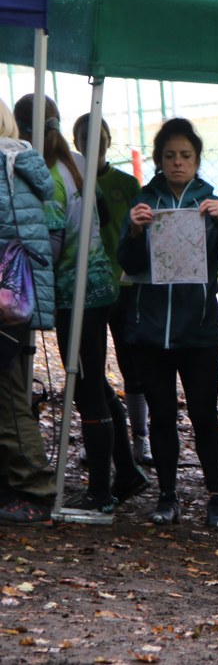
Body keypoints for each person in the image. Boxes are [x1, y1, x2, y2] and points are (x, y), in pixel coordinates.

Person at [119, 118, 218, 530]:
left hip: (199, 332)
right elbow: (127, 264)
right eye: (170, 156)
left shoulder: (211, 204)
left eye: (185, 155)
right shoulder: (144, 203)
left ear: (197, 160)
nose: (178, 162)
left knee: (204, 416)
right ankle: (167, 496)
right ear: (159, 160)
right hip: (150, 333)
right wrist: (134, 232)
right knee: (162, 416)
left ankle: (217, 499)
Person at [15, 95, 147, 521]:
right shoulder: (78, 161)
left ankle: (100, 493)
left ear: (24, 130)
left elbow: (50, 247)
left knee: (87, 388)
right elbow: (103, 214)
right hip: (101, 286)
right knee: (95, 382)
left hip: (76, 295)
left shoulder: (48, 173)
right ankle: (127, 473)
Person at [72, 114, 149, 466]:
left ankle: (140, 439)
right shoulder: (74, 179)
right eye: (85, 135)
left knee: (132, 364)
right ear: (76, 141)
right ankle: (97, 438)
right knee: (91, 367)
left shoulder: (127, 184)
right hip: (88, 287)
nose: (93, 140)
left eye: (99, 135)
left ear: (108, 139)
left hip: (125, 285)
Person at [0, 101, 58, 526]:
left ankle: (34, 489)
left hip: (5, 304)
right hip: (19, 300)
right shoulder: (22, 163)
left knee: (8, 399)